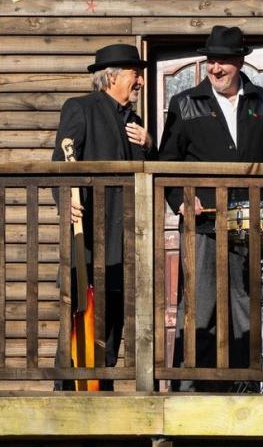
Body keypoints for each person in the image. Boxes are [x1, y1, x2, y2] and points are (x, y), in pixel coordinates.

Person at [158, 25, 263, 389]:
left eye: (223, 61)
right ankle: (193, 389)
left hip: (255, 223)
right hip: (204, 223)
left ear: (240, 61)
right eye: (211, 60)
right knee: (200, 305)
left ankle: (250, 383)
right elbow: (167, 163)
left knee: (251, 304)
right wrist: (181, 201)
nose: (215, 68)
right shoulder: (186, 102)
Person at [52, 43, 155, 390]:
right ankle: (67, 396)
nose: (139, 81)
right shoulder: (81, 108)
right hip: (90, 237)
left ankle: (103, 392)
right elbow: (62, 162)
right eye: (134, 74)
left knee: (113, 324)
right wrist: (66, 198)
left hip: (124, 240)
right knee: (81, 319)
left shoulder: (136, 122)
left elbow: (146, 177)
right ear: (112, 77)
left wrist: (149, 145)